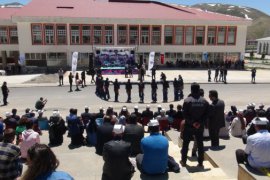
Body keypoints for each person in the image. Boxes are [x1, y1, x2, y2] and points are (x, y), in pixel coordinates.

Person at [181, 83, 209, 167]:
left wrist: (193, 123)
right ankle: (200, 163)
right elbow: (207, 115)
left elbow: (185, 115)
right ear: (199, 89)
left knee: (185, 144)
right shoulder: (205, 101)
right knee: (200, 144)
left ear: (191, 90)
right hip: (199, 127)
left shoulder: (187, 101)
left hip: (189, 126)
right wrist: (199, 123)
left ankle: (184, 162)